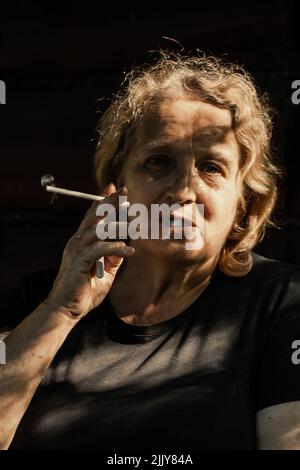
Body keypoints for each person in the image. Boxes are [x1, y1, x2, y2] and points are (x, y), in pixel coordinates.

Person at [1, 51, 300, 451]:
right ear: (116, 187)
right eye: (159, 161)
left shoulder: (282, 302)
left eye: (211, 167)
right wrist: (61, 312)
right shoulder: (39, 299)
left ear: (242, 203)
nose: (183, 192)